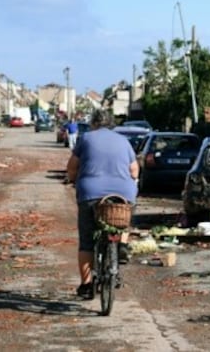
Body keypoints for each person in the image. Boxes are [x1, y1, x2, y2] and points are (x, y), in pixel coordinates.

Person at [66, 110, 139, 300]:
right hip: (122, 193)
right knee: (123, 216)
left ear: (93, 123)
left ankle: (87, 284)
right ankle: (122, 242)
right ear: (112, 123)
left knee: (87, 241)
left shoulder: (87, 138)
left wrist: (73, 180)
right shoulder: (124, 141)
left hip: (91, 193)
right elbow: (134, 170)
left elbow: (72, 167)